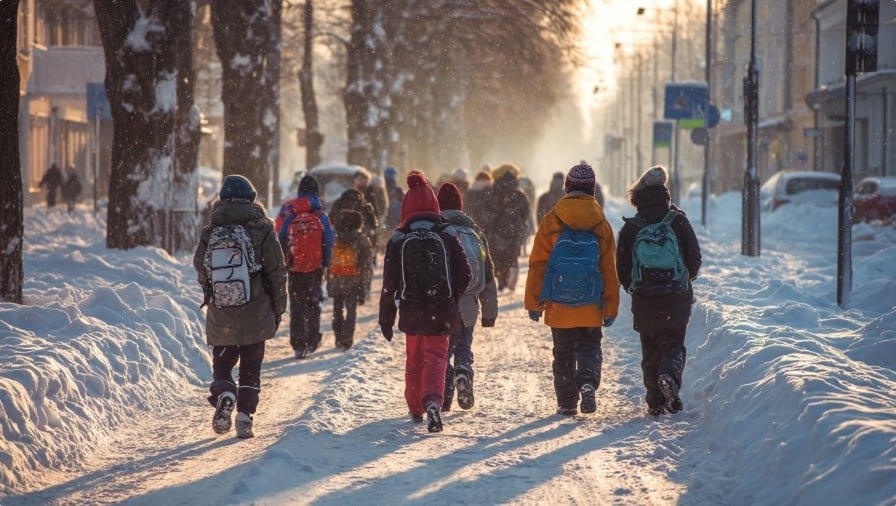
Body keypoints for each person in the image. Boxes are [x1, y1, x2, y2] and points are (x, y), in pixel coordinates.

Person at [193, 175, 287, 438]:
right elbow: (277, 271)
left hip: (222, 310)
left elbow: (200, 265)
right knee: (251, 366)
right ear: (252, 198)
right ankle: (245, 417)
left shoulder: (211, 229)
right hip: (256, 310)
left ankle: (224, 391)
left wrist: (214, 290)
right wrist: (278, 307)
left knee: (222, 363)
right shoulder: (262, 227)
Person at [379, 171, 471, 433]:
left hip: (411, 310)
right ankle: (433, 400)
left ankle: (415, 407)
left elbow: (389, 284)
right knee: (436, 356)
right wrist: (452, 297)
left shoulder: (398, 239)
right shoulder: (447, 234)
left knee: (415, 358)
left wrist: (386, 319)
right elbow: (465, 272)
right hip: (440, 309)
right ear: (434, 204)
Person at [524, 163, 620, 416]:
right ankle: (588, 381)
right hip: (590, 304)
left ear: (567, 187)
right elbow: (609, 270)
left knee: (563, 353)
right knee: (589, 345)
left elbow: (538, 264)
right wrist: (611, 306)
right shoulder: (600, 224)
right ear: (592, 189)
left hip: (560, 304)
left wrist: (534, 302)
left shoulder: (552, 220)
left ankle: (567, 403)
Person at [615, 166, 701, 416]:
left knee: (650, 347)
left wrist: (634, 287)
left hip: (645, 297)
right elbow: (694, 258)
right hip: (676, 295)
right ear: (666, 194)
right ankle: (669, 375)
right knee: (673, 343)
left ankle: (654, 400)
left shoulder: (632, 226)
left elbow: (622, 266)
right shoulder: (678, 221)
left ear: (637, 197)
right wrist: (685, 280)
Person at [437, 183, 497, 411]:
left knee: (443, 349)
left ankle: (444, 393)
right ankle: (463, 370)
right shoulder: (475, 232)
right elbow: (487, 274)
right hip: (468, 303)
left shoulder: (435, 230)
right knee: (463, 345)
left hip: (441, 303)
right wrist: (490, 312)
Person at [275, 175, 334, 359]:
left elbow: (280, 235)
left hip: (294, 266)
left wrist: (285, 259)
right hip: (315, 266)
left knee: (297, 305)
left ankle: (298, 344)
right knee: (313, 302)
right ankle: (312, 339)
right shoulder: (320, 212)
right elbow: (329, 240)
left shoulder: (289, 210)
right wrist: (325, 263)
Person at [328, 209, 372, 350]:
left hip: (336, 279)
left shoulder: (334, 237)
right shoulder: (362, 239)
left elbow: (328, 260)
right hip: (354, 280)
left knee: (337, 310)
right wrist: (364, 286)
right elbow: (366, 265)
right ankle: (347, 338)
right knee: (351, 310)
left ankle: (338, 336)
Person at [486, 164, 530, 292]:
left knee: (498, 256)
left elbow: (489, 213)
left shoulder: (494, 193)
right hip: (515, 230)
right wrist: (519, 221)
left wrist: (491, 225)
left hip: (497, 231)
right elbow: (525, 213)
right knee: (513, 255)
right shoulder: (519, 194)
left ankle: (501, 280)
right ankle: (510, 281)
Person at [332, 188, 378, 294]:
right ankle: (363, 290)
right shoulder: (366, 206)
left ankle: (337, 292)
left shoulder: (338, 203)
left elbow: (331, 219)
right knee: (365, 265)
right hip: (361, 242)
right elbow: (374, 226)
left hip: (340, 241)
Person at [383, 167, 404, 231]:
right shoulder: (393, 187)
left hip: (390, 214)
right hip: (393, 213)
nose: (395, 177)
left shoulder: (383, 186)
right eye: (394, 175)